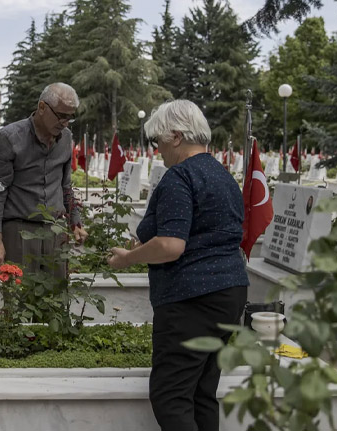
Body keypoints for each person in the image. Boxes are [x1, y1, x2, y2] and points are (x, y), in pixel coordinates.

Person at [107, 100, 248, 431]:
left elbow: (172, 245)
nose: (156, 149)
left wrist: (129, 258)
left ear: (176, 135)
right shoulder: (222, 175)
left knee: (170, 396)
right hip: (229, 292)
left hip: (192, 298)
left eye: (157, 140)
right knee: (201, 392)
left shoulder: (179, 177)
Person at [0, 82, 88, 276]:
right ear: (42, 107)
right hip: (18, 232)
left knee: (56, 298)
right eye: (61, 115)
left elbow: (65, 186)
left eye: (70, 117)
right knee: (19, 299)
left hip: (56, 231)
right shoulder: (10, 138)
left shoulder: (66, 138)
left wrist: (75, 222)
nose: (65, 123)